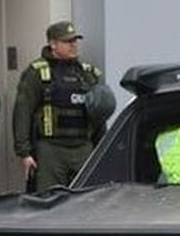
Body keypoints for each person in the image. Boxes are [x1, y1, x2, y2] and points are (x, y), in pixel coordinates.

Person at [13, 20, 115, 193]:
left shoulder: (88, 73)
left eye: (75, 41)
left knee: (88, 199)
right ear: (53, 44)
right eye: (67, 41)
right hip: (51, 150)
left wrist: (101, 150)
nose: (73, 45)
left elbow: (99, 115)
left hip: (83, 147)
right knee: (49, 201)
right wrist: (24, 152)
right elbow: (22, 112)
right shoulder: (37, 73)